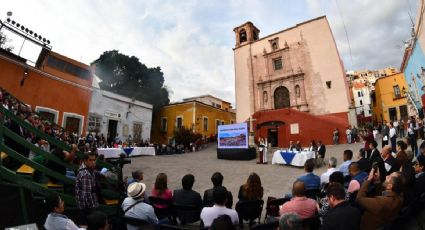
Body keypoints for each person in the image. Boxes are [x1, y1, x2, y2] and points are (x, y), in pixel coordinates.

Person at [75, 152, 100, 224]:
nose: (93, 162)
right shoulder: (85, 174)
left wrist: (101, 174)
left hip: (83, 205)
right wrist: (94, 207)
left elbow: (94, 172)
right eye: (90, 160)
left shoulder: (85, 168)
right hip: (85, 208)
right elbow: (87, 196)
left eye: (94, 160)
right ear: (85, 161)